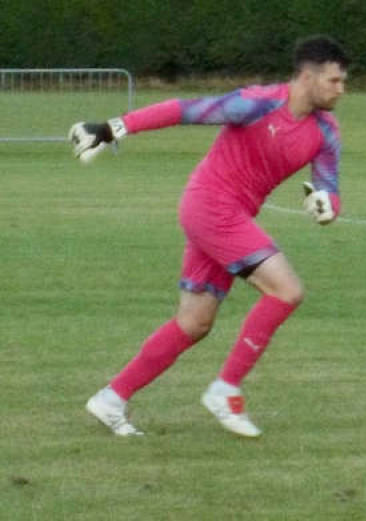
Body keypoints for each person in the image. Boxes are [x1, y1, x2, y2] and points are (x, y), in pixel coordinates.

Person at [71, 35, 351, 437]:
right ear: (307, 77)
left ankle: (111, 399)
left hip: (226, 215)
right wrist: (114, 128)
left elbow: (330, 188)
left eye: (343, 82)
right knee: (286, 291)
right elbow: (187, 110)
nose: (341, 90)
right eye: (334, 81)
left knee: (194, 321)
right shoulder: (258, 103)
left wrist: (326, 208)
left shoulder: (326, 130)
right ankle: (225, 391)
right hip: (212, 205)